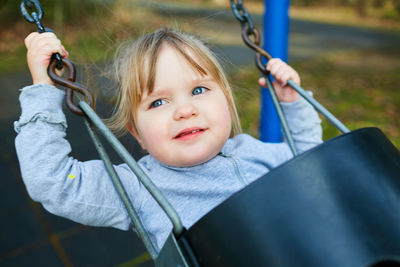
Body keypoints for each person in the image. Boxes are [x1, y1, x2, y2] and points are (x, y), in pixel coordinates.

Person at [15, 28, 322, 252]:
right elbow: (52, 181)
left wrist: (293, 103)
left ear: (227, 101)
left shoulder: (256, 154)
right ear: (137, 133)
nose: (185, 110)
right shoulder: (138, 186)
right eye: (158, 102)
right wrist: (42, 89)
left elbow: (313, 164)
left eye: (199, 90)